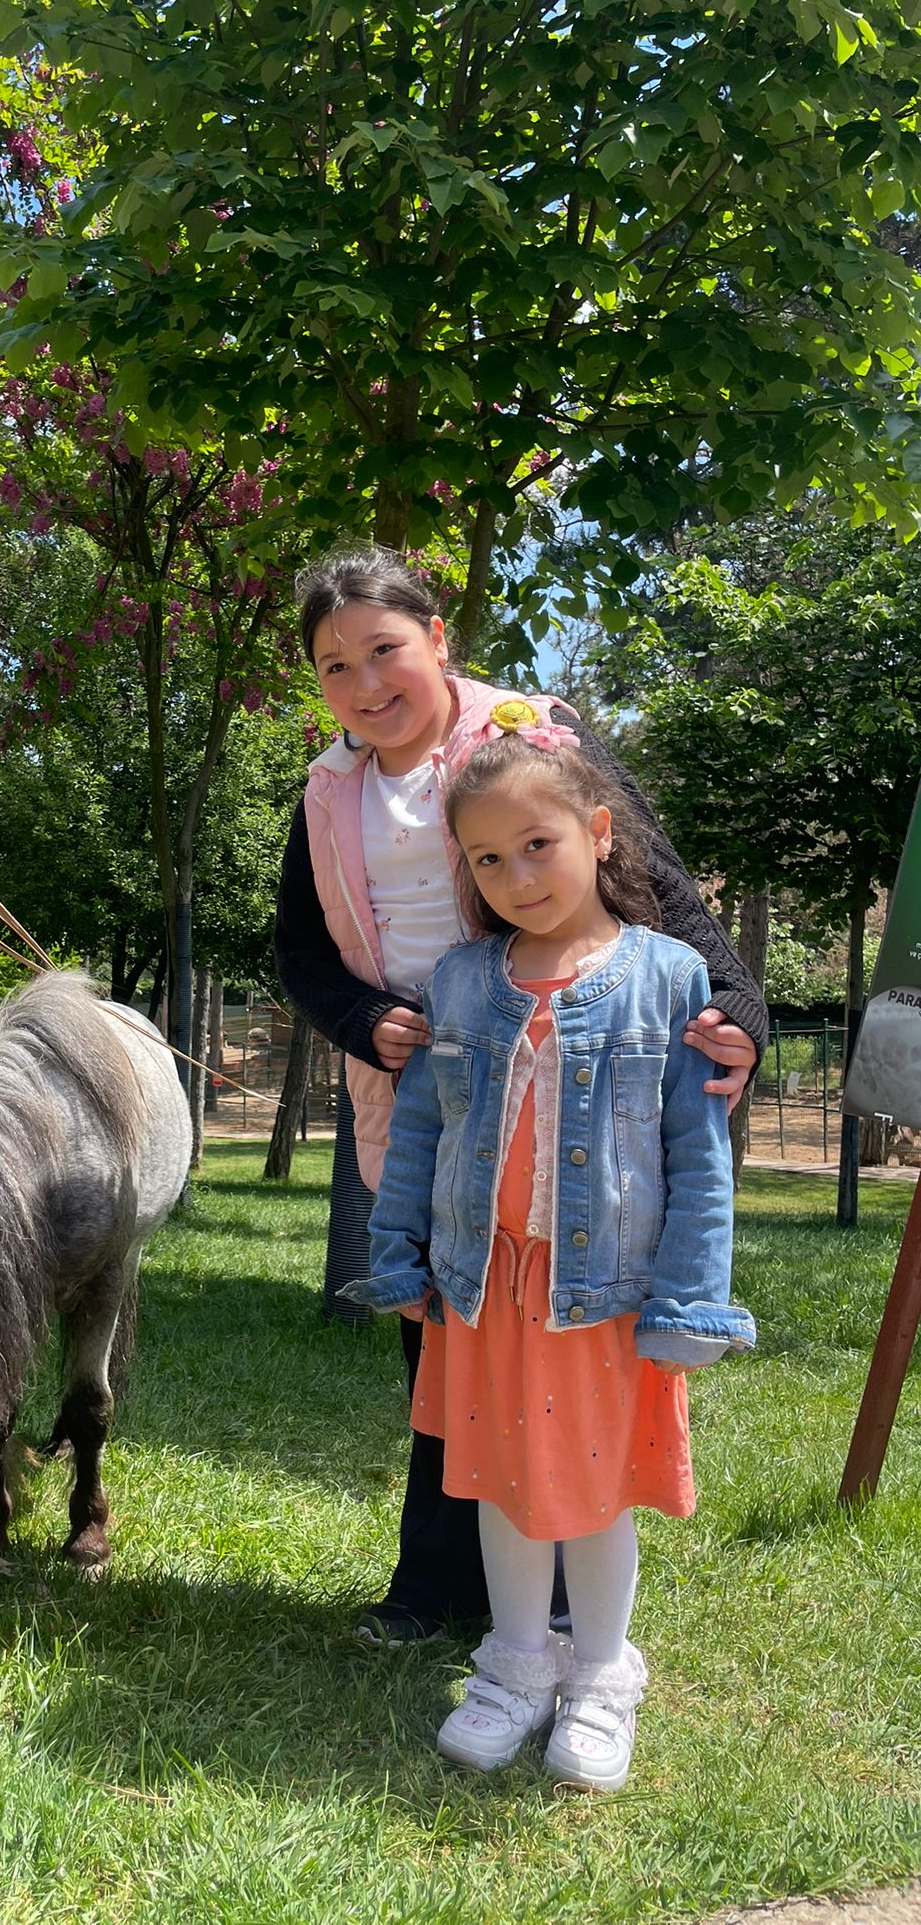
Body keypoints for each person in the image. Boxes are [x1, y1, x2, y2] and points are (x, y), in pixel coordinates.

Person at [273, 543, 766, 1643]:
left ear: (438, 638)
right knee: (449, 1346)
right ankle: (442, 1587)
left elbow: (654, 876)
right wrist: (364, 1021)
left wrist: (739, 1003)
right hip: (434, 1100)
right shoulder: (326, 792)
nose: (363, 684)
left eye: (384, 650)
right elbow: (300, 953)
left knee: (567, 1342)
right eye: (332, 666)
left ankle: (560, 1604)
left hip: (574, 1087)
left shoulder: (526, 739)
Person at [342, 724, 755, 1790]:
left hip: (603, 1298)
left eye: (537, 843)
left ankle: (602, 1675)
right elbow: (424, 1131)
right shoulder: (464, 979)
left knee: (594, 1490)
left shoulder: (670, 979)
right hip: (488, 1290)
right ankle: (517, 1666)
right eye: (486, 858)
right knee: (494, 1480)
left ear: (598, 830)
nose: (515, 875)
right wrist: (399, 1255)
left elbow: (698, 1156)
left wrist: (694, 1298)